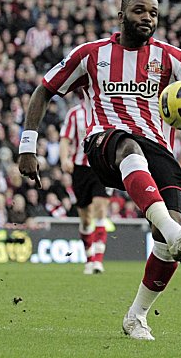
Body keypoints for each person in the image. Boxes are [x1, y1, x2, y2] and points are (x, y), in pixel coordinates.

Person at [18, 0, 181, 341]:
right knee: (128, 147)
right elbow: (44, 90)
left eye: (153, 13)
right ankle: (179, 236)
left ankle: (137, 315)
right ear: (121, 15)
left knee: (166, 235)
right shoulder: (90, 55)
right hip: (105, 140)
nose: (147, 17)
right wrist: (28, 145)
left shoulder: (170, 58)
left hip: (158, 149)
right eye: (139, 10)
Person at [59, 91, 111, 274]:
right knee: (86, 217)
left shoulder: (108, 111)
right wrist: (64, 159)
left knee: (100, 209)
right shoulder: (75, 113)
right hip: (80, 169)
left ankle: (98, 260)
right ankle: (89, 259)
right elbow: (65, 138)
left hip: (102, 168)